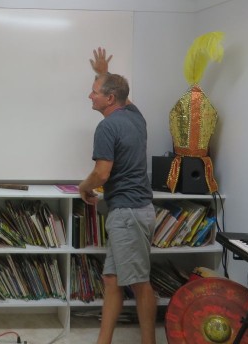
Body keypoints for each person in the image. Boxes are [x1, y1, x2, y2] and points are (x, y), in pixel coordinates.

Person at [78, 47, 156, 344]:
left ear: (109, 99)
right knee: (112, 280)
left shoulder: (107, 126)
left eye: (94, 91)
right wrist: (101, 73)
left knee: (139, 283)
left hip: (127, 214)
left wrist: (83, 188)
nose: (90, 95)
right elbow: (124, 95)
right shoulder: (135, 116)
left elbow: (101, 174)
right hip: (135, 211)